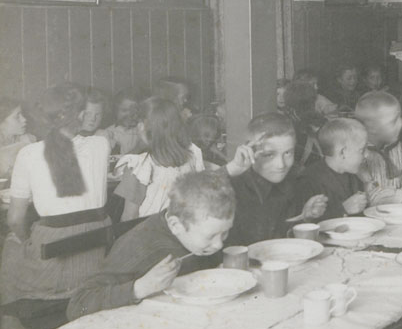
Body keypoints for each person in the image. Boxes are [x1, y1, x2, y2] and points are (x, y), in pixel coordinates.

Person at [0, 84, 110, 329]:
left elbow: (14, 220)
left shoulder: (28, 154)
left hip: (49, 265)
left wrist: (25, 241)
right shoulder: (101, 144)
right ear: (80, 115)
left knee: (10, 244)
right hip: (94, 256)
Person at [66, 171, 235, 320]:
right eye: (210, 237)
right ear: (175, 225)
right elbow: (78, 305)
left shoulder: (199, 232)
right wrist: (139, 288)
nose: (219, 244)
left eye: (225, 233)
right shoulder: (139, 247)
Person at [226, 113, 326, 246]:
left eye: (288, 153)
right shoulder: (230, 188)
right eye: (269, 155)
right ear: (250, 150)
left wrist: (304, 217)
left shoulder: (297, 181)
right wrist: (231, 169)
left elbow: (285, 239)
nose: (281, 165)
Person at [113, 97, 205, 221]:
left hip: (150, 230)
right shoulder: (192, 156)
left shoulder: (139, 166)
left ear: (142, 127)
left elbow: (129, 217)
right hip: (182, 227)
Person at [298, 118, 369, 221]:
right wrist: (343, 209)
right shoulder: (308, 181)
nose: (366, 155)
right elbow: (305, 223)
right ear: (342, 153)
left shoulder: (353, 176)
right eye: (362, 150)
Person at [355, 91, 402, 205]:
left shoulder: (398, 147)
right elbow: (374, 198)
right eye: (393, 121)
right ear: (372, 127)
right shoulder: (359, 155)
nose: (401, 123)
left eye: (400, 117)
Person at [97, 87, 143, 155]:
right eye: (124, 110)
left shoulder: (141, 131)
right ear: (115, 111)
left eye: (134, 111)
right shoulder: (109, 133)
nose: (130, 114)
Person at [0, 97, 35, 179]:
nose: (24, 119)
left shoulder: (27, 139)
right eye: (17, 116)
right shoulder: (25, 143)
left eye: (22, 114)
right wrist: (23, 145)